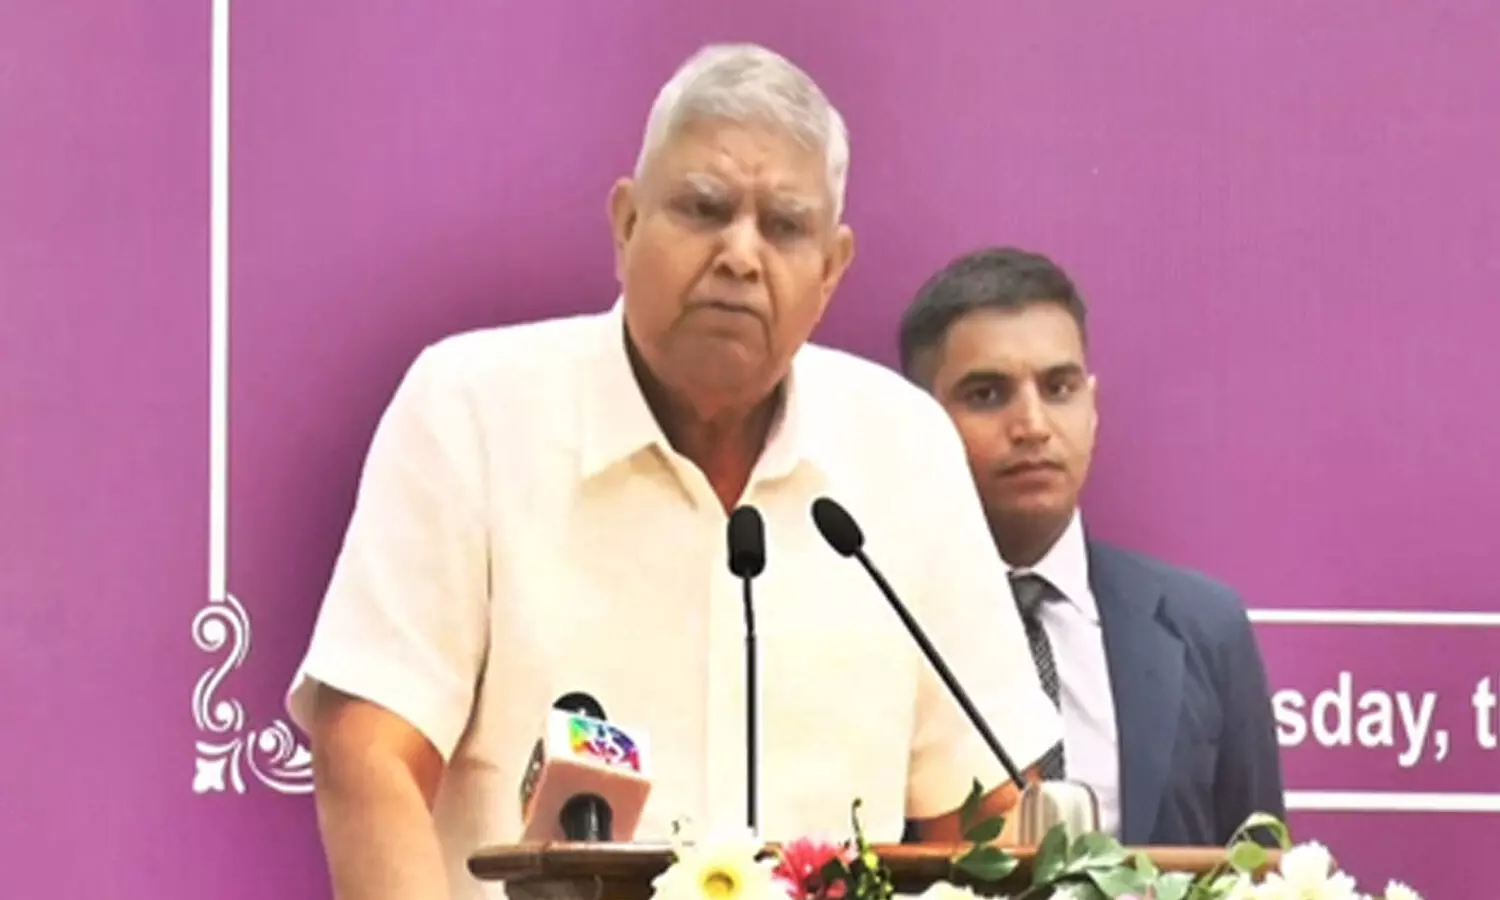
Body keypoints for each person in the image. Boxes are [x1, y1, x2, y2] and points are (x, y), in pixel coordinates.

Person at [286, 46, 1061, 900]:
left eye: (784, 227)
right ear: (625, 224)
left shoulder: (904, 449)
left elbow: (986, 814)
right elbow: (368, 753)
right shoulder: (471, 411)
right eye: (704, 209)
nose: (740, 255)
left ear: (832, 270)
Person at [897, 247, 1285, 846]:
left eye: (1059, 388)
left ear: (1092, 407)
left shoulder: (1205, 627)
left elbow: (1259, 867)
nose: (1033, 426)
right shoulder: (878, 622)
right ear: (918, 420)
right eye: (988, 395)